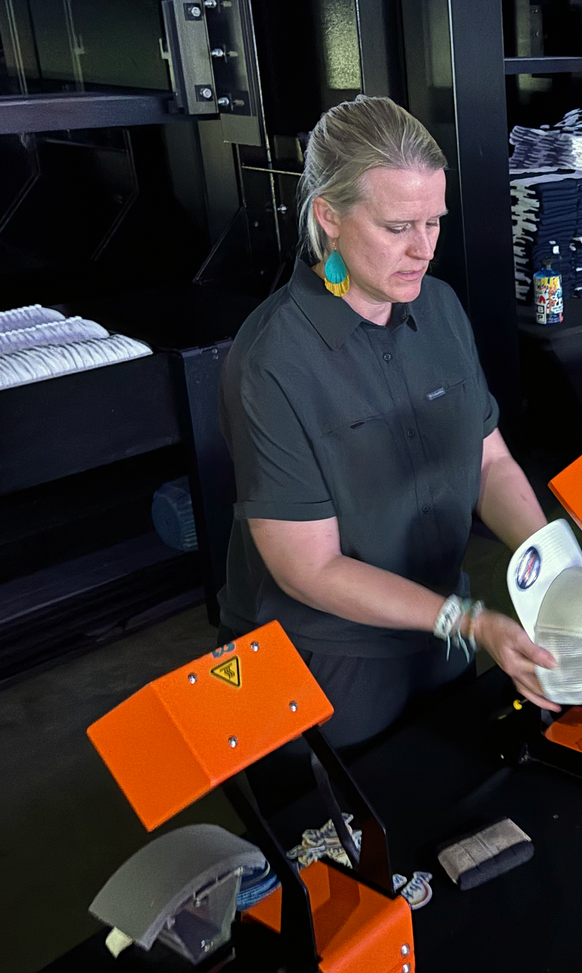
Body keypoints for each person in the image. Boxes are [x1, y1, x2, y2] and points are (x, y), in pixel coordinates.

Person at [216, 95, 560, 748]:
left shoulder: (442, 308)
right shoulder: (273, 361)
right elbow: (309, 569)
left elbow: (490, 461)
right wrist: (469, 621)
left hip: (446, 632)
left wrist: (553, 563)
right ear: (330, 217)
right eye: (398, 226)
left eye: (434, 222)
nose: (424, 249)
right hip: (336, 663)